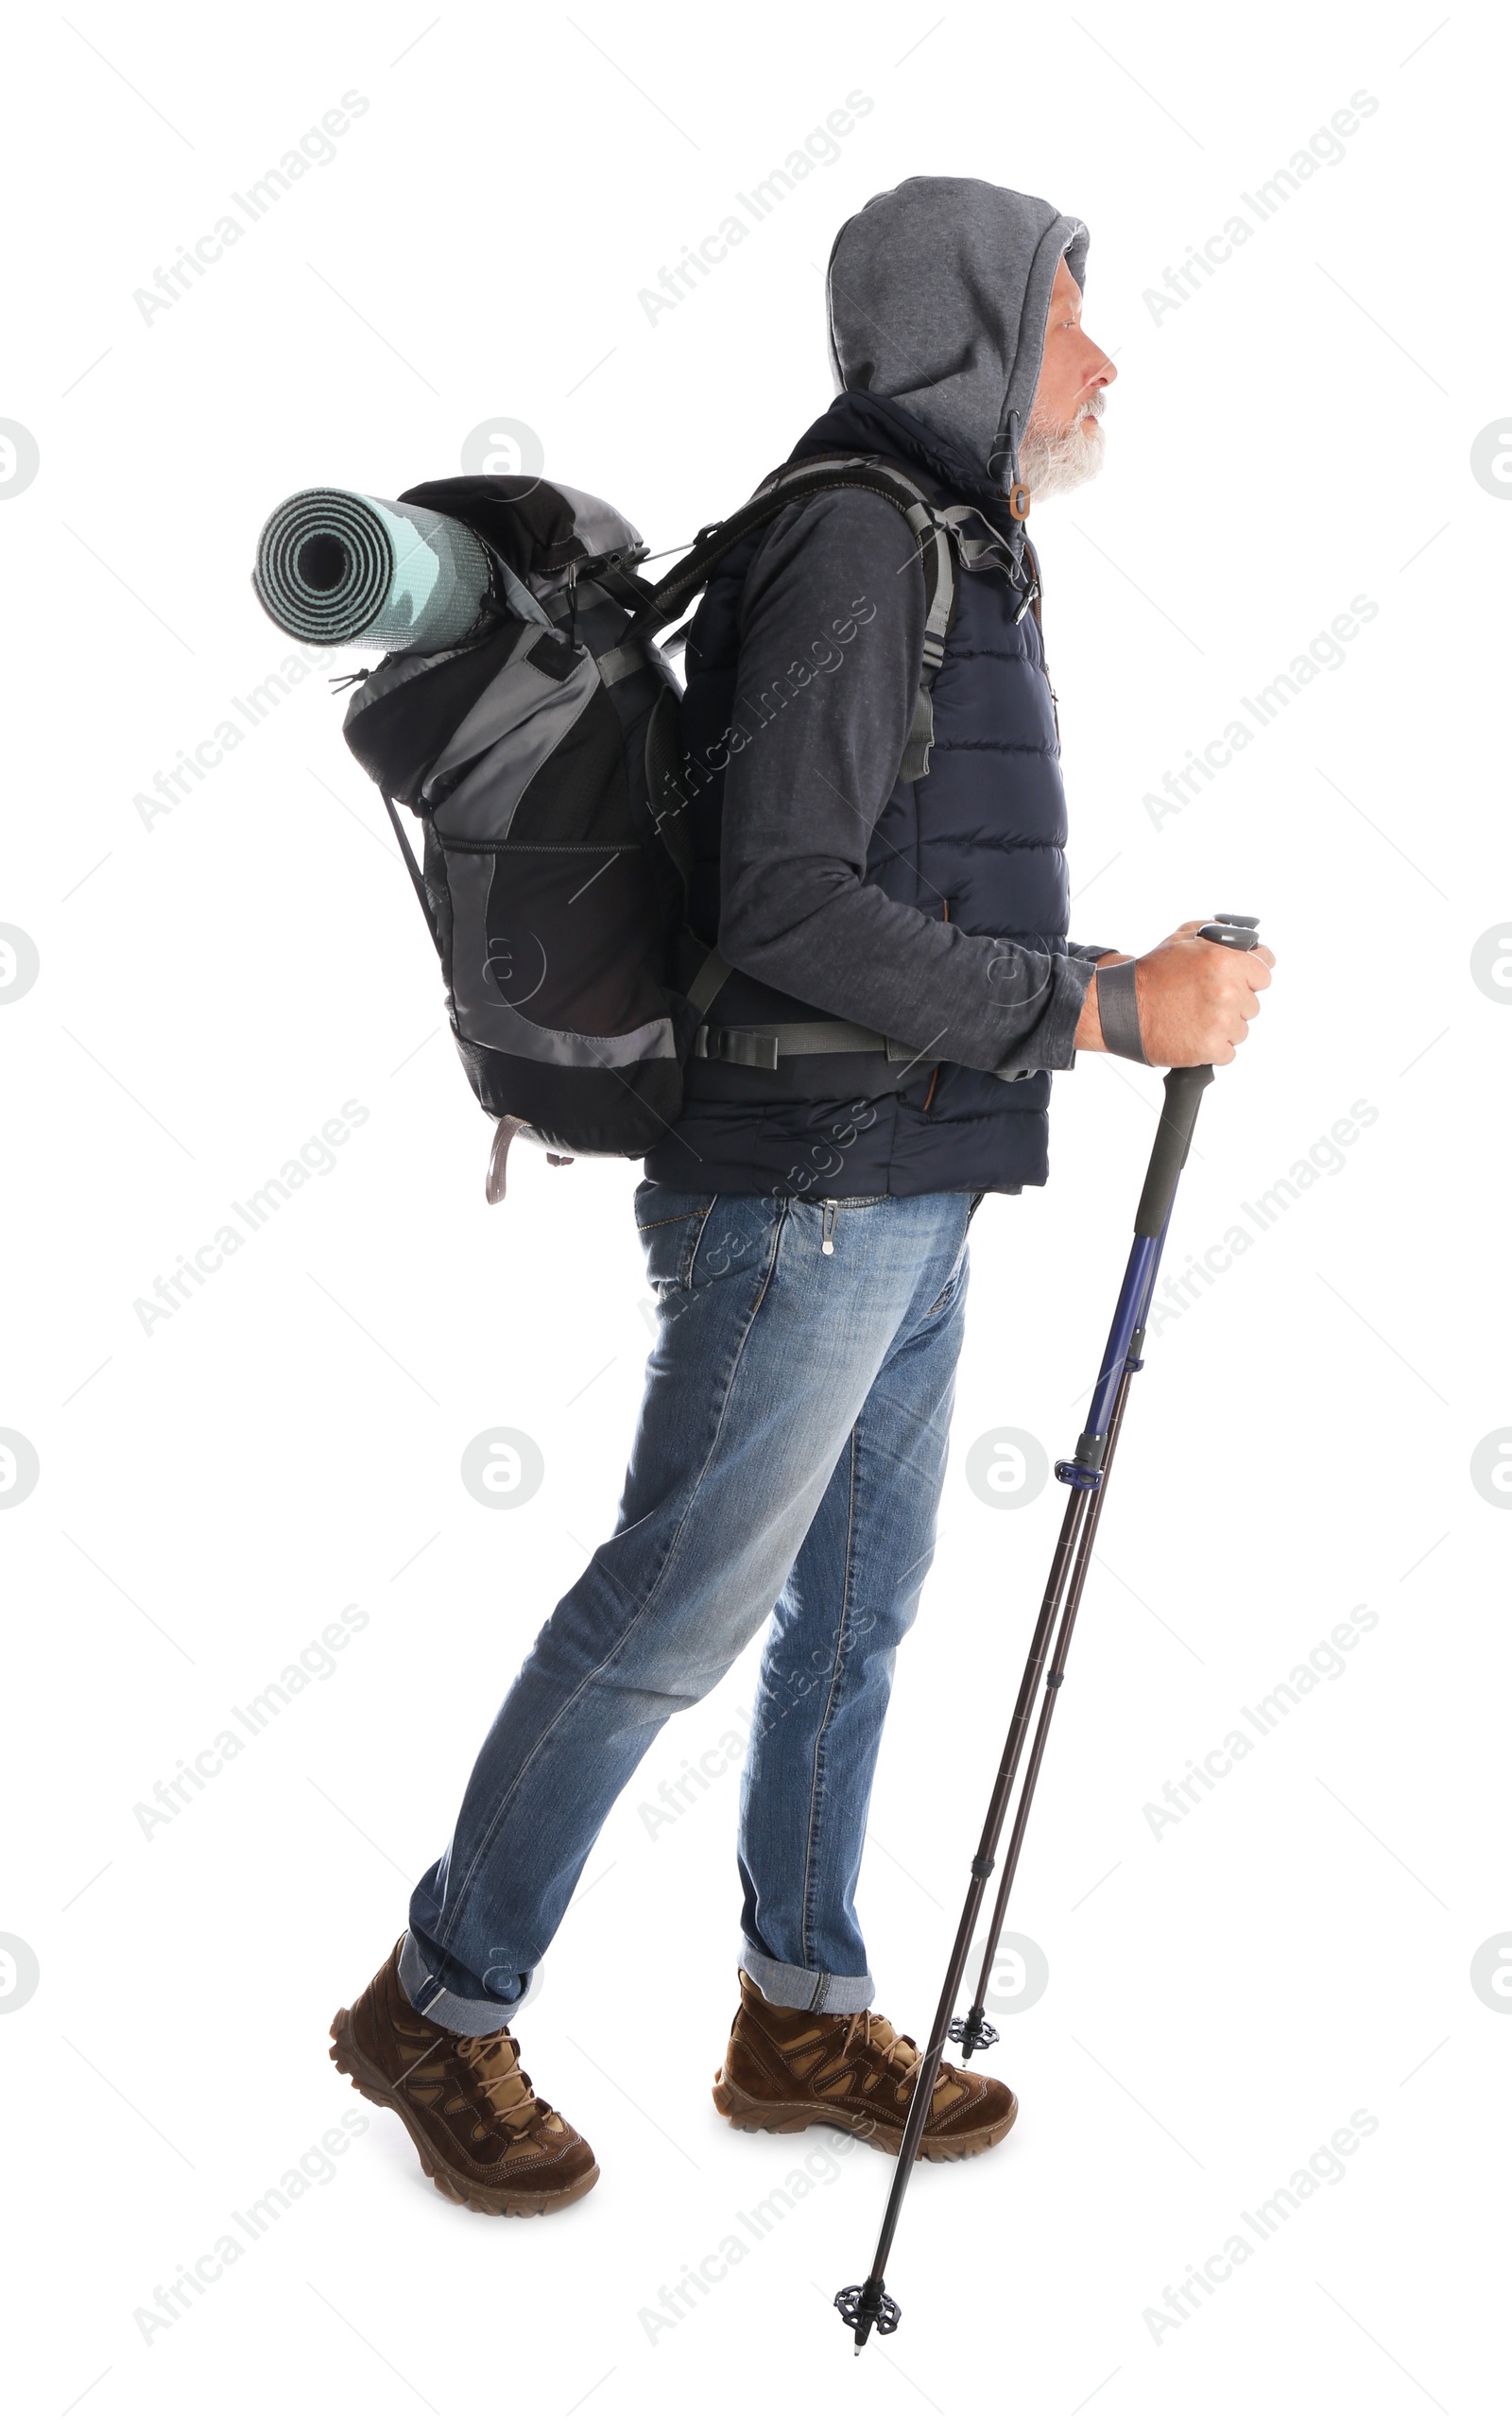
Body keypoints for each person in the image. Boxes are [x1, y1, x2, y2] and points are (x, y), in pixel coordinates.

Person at [330, 174, 1274, 2217]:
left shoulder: (938, 538)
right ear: (964, 336)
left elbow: (889, 878)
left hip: (906, 1178)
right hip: (806, 1197)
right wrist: (1104, 1007)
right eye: (1064, 321)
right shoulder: (858, 542)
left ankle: (792, 2005)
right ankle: (436, 1999)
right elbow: (782, 905)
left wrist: (1082, 996)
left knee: (852, 1609)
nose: (1099, 359)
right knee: (677, 1605)